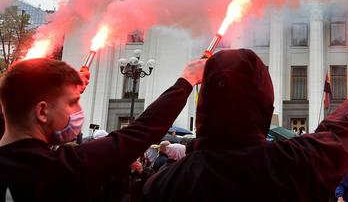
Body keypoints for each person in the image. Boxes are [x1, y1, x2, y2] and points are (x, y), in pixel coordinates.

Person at [143, 49, 348, 201]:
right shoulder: (290, 165)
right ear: (264, 98)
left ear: (205, 101)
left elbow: (136, 133)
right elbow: (339, 136)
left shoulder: (163, 186)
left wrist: (186, 81)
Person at [0, 57, 205, 201]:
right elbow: (141, 131)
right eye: (72, 102)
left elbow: (15, 102)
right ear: (42, 111)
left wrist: (64, 87)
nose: (78, 110)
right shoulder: (60, 170)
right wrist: (187, 80)